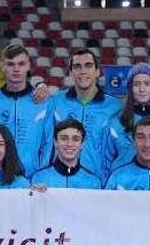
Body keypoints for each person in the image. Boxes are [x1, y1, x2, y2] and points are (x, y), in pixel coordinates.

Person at [45, 49, 121, 179]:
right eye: (77, 66)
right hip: (59, 181)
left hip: (99, 183)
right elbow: (45, 143)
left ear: (97, 71)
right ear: (70, 72)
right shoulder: (55, 102)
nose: (83, 71)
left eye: (88, 65)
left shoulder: (115, 107)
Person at [0, 43, 53, 175]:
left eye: (21, 64)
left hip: (32, 178)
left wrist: (42, 175)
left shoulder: (44, 102)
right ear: (2, 67)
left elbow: (49, 144)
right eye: (10, 64)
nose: (16, 69)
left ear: (28, 66)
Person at [103, 62, 150, 176]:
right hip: (124, 186)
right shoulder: (116, 122)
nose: (142, 89)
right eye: (136, 84)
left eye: (147, 84)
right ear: (130, 88)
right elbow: (106, 161)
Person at [30, 118, 101, 190]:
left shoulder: (93, 182)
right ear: (55, 142)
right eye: (64, 139)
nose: (70, 144)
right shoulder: (39, 178)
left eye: (76, 139)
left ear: (82, 144)